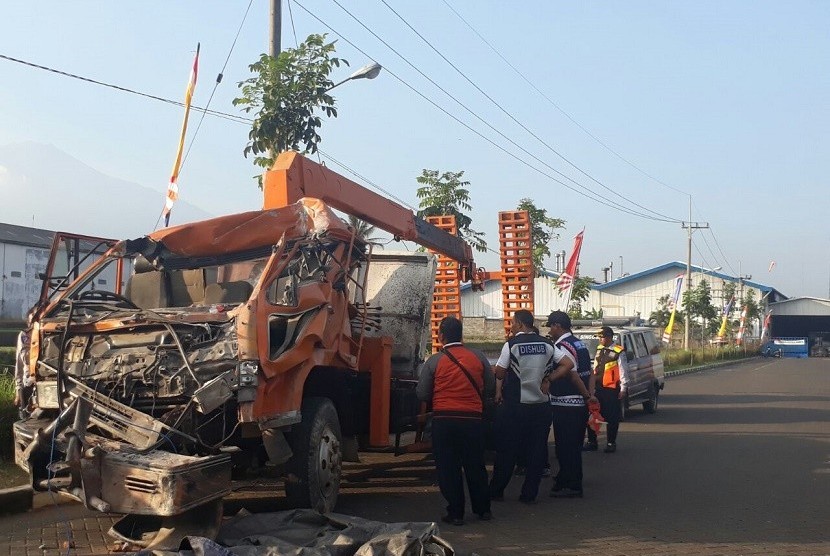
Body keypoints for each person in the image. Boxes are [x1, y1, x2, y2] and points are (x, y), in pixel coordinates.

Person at [416, 316, 494, 526]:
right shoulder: (478, 356)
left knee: (448, 468)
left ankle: (456, 513)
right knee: (475, 465)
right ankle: (483, 509)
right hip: (473, 420)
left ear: (441, 336)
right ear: (461, 335)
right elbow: (490, 387)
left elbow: (422, 393)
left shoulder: (434, 361)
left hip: (444, 420)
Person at [489, 310, 554, 504]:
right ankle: (529, 494)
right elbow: (567, 363)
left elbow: (500, 373)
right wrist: (549, 378)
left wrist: (494, 371)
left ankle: (497, 490)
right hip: (541, 406)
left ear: (519, 323)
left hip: (517, 406)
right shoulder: (548, 344)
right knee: (536, 451)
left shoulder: (512, 345)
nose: (511, 326)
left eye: (512, 322)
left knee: (508, 449)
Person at [542, 310, 596, 498]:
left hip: (566, 403)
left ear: (557, 326)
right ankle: (566, 479)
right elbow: (590, 372)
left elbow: (571, 372)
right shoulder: (579, 344)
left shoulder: (562, 346)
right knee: (573, 446)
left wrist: (549, 379)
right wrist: (590, 395)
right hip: (577, 404)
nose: (550, 330)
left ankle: (572, 485)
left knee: (565, 447)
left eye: (551, 326)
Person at [585, 326, 629, 453]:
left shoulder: (618, 351)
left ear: (609, 337)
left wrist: (623, 388)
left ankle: (611, 443)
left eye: (602, 336)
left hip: (611, 389)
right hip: (598, 388)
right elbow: (595, 369)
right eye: (599, 337)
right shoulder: (599, 349)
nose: (600, 339)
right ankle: (592, 441)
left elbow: (623, 371)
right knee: (593, 414)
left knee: (611, 417)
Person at [14, 312, 35, 419]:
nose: (33, 324)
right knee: (27, 418)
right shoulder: (24, 336)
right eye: (31, 321)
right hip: (28, 384)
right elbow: (20, 363)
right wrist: (18, 390)